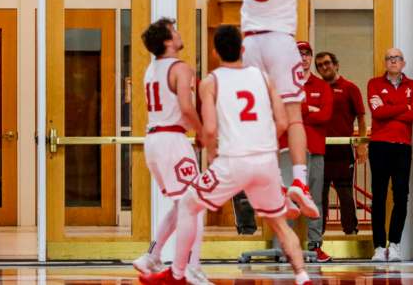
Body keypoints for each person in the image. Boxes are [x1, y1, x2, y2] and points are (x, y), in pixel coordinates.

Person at [140, 25, 312, 285]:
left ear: (214, 51)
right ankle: (302, 275)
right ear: (243, 49)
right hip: (264, 159)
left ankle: (178, 273)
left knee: (188, 203)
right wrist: (266, 143)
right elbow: (283, 121)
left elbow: (209, 129)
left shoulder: (210, 81)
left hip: (232, 160)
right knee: (279, 224)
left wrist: (212, 155)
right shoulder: (263, 77)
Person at [239, 0, 324, 218]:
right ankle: (300, 182)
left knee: (261, 118)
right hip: (278, 41)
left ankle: (270, 183)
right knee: (293, 117)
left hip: (251, 46)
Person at [132, 18, 211, 285]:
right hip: (171, 140)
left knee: (182, 204)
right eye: (175, 31)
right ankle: (192, 267)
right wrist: (202, 132)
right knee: (196, 204)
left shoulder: (150, 69)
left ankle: (152, 256)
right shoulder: (181, 68)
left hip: (153, 140)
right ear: (168, 41)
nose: (179, 34)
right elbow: (187, 109)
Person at [367, 48, 413, 262]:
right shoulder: (374, 84)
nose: (393, 61)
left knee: (401, 196)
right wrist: (404, 107)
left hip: (402, 146)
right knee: (378, 197)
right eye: (389, 58)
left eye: (397, 58)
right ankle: (379, 247)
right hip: (379, 146)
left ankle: (395, 244)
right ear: (385, 62)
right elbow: (377, 113)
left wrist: (391, 106)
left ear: (403, 62)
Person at [315, 51, 366, 237]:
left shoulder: (350, 88)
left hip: (343, 151)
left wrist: (362, 145)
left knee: (345, 195)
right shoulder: (317, 89)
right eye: (319, 65)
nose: (324, 67)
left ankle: (350, 231)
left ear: (336, 65)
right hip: (320, 151)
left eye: (327, 63)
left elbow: (361, 118)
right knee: (319, 196)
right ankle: (317, 236)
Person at [295, 41, 333, 262]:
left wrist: (300, 111)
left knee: (315, 199)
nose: (303, 58)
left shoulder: (322, 86)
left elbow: (326, 115)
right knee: (289, 199)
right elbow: (282, 110)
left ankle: (314, 245)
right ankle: (286, 246)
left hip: (315, 149)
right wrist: (309, 108)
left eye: (307, 54)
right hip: (289, 151)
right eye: (299, 54)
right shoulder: (286, 84)